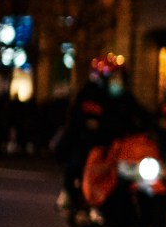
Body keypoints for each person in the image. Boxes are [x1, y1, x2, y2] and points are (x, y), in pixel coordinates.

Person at [56, 53, 154, 212]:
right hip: (92, 142)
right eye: (113, 76)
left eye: (119, 76)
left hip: (120, 144)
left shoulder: (124, 96)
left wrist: (155, 122)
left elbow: (140, 112)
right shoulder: (89, 94)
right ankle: (69, 194)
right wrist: (91, 125)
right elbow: (78, 118)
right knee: (79, 161)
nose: (117, 80)